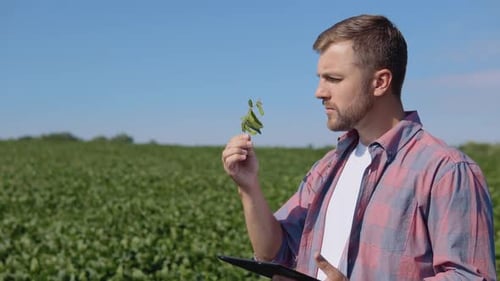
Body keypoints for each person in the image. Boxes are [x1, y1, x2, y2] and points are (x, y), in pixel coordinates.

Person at [221, 14, 496, 281]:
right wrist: (248, 187)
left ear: (380, 82)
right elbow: (273, 251)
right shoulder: (329, 167)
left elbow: (469, 275)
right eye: (320, 78)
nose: (320, 92)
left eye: (334, 79)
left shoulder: (445, 171)